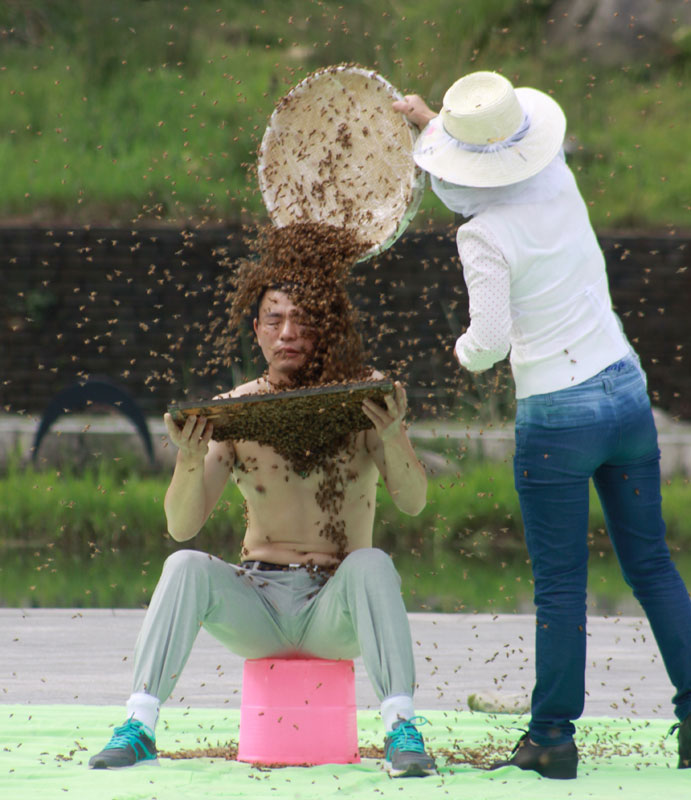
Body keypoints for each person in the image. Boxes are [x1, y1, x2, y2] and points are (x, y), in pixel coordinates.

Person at [394, 70, 691, 779]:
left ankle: (553, 737)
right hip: (625, 394)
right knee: (650, 564)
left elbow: (489, 342)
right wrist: (433, 121)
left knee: (560, 585)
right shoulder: (556, 175)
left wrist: (460, 351)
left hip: (557, 419)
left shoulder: (482, 236)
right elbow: (491, 161)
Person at [87, 276, 437, 778]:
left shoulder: (362, 402)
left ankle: (400, 727)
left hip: (334, 605)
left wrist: (393, 434)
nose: (287, 332)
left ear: (326, 329)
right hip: (259, 602)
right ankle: (139, 725)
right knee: (184, 565)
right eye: (275, 320)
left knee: (374, 563)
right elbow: (181, 526)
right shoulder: (237, 409)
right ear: (257, 331)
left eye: (302, 321)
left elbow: (414, 502)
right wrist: (189, 458)